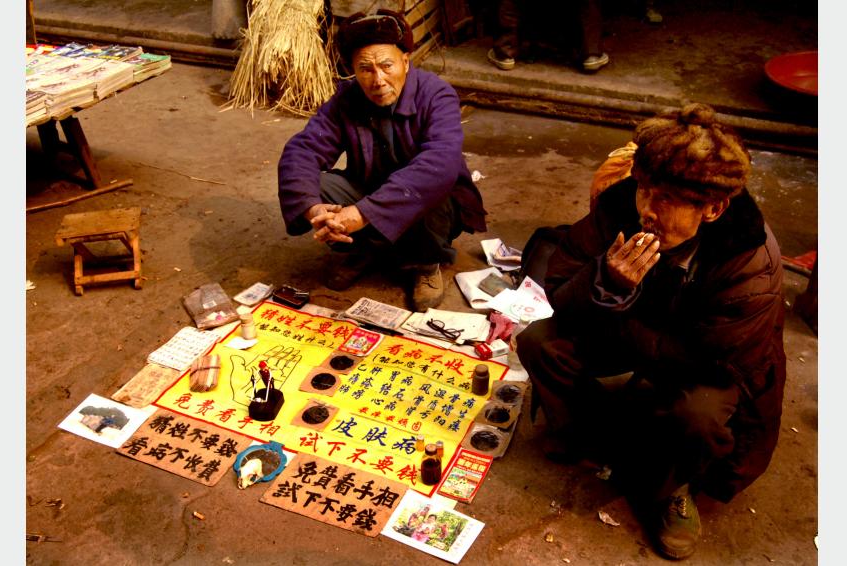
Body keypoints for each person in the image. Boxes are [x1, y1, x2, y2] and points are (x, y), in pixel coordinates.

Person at [516, 103, 786, 560]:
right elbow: (560, 283)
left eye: (666, 200)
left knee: (697, 414)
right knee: (539, 341)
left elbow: (715, 357)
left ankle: (673, 488)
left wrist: (619, 315)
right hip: (634, 326)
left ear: (713, 208)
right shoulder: (620, 207)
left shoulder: (748, 258)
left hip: (704, 361)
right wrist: (606, 282)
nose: (647, 210)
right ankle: (589, 436)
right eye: (645, 191)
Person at [277, 9, 487, 311]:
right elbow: (303, 151)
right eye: (365, 69)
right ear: (352, 69)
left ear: (405, 61)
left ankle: (426, 264)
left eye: (387, 66)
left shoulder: (436, 95)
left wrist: (362, 214)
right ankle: (366, 249)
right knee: (318, 187)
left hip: (425, 204)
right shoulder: (347, 99)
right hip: (370, 190)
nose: (378, 80)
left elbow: (440, 163)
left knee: (433, 187)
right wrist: (314, 209)